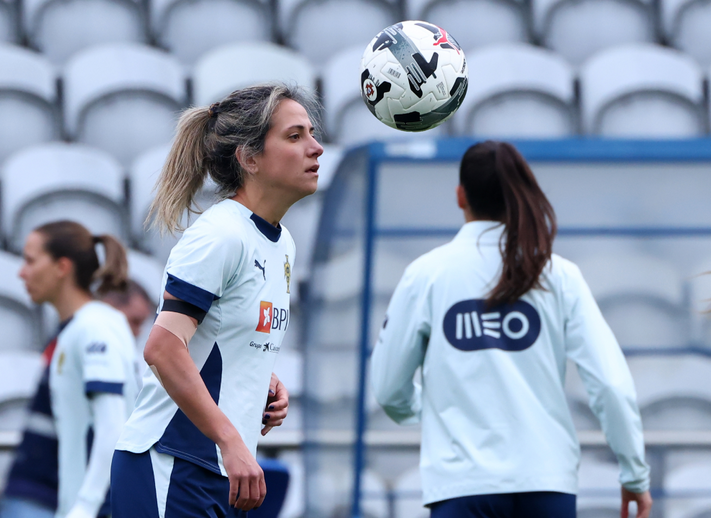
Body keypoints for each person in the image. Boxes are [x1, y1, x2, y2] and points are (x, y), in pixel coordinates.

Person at [370, 141, 653, 518]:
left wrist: (437, 409)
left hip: (461, 486)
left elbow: (389, 388)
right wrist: (634, 474)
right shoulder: (559, 275)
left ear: (460, 196)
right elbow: (611, 384)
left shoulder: (426, 275)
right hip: (546, 485)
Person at [110, 83, 322, 517]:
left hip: (222, 474)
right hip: (172, 463)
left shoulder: (282, 244)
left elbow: (216, 338)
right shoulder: (219, 234)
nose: (316, 148)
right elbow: (164, 348)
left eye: (312, 133)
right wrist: (230, 440)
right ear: (249, 159)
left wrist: (258, 375)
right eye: (295, 136)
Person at [1, 221, 146, 518]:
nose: (21, 272)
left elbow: (113, 427)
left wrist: (85, 507)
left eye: (30, 260)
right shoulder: (85, 327)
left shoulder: (94, 328)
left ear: (61, 267)